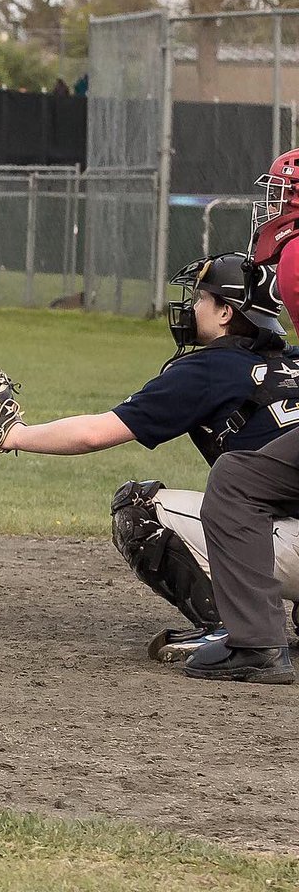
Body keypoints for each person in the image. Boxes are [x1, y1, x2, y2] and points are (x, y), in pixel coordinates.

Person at [0, 253, 299, 666]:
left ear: (226, 312)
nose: (191, 307)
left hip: (291, 545)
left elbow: (94, 434)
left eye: (200, 298)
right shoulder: (294, 361)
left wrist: (15, 434)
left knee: (138, 507)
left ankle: (232, 630)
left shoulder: (212, 367)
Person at [185, 151, 299, 683]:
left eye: (279, 194)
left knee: (235, 479)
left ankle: (255, 645)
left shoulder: (296, 255)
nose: (270, 207)